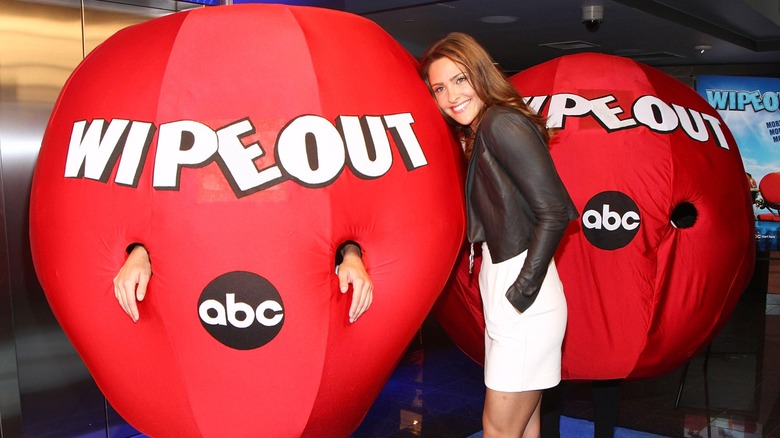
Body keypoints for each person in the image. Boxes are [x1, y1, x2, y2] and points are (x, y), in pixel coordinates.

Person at [420, 32, 578, 437]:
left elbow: (557, 210)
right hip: (510, 282)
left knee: (498, 428)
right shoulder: (481, 129)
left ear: (482, 75)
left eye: (460, 79)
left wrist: (520, 292)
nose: (451, 95)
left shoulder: (501, 122)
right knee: (524, 425)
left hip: (523, 291)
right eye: (439, 87)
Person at [113, 241, 373, 324]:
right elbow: (163, 218)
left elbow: (338, 221)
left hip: (295, 321)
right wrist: (140, 252)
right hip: (200, 324)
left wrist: (351, 254)